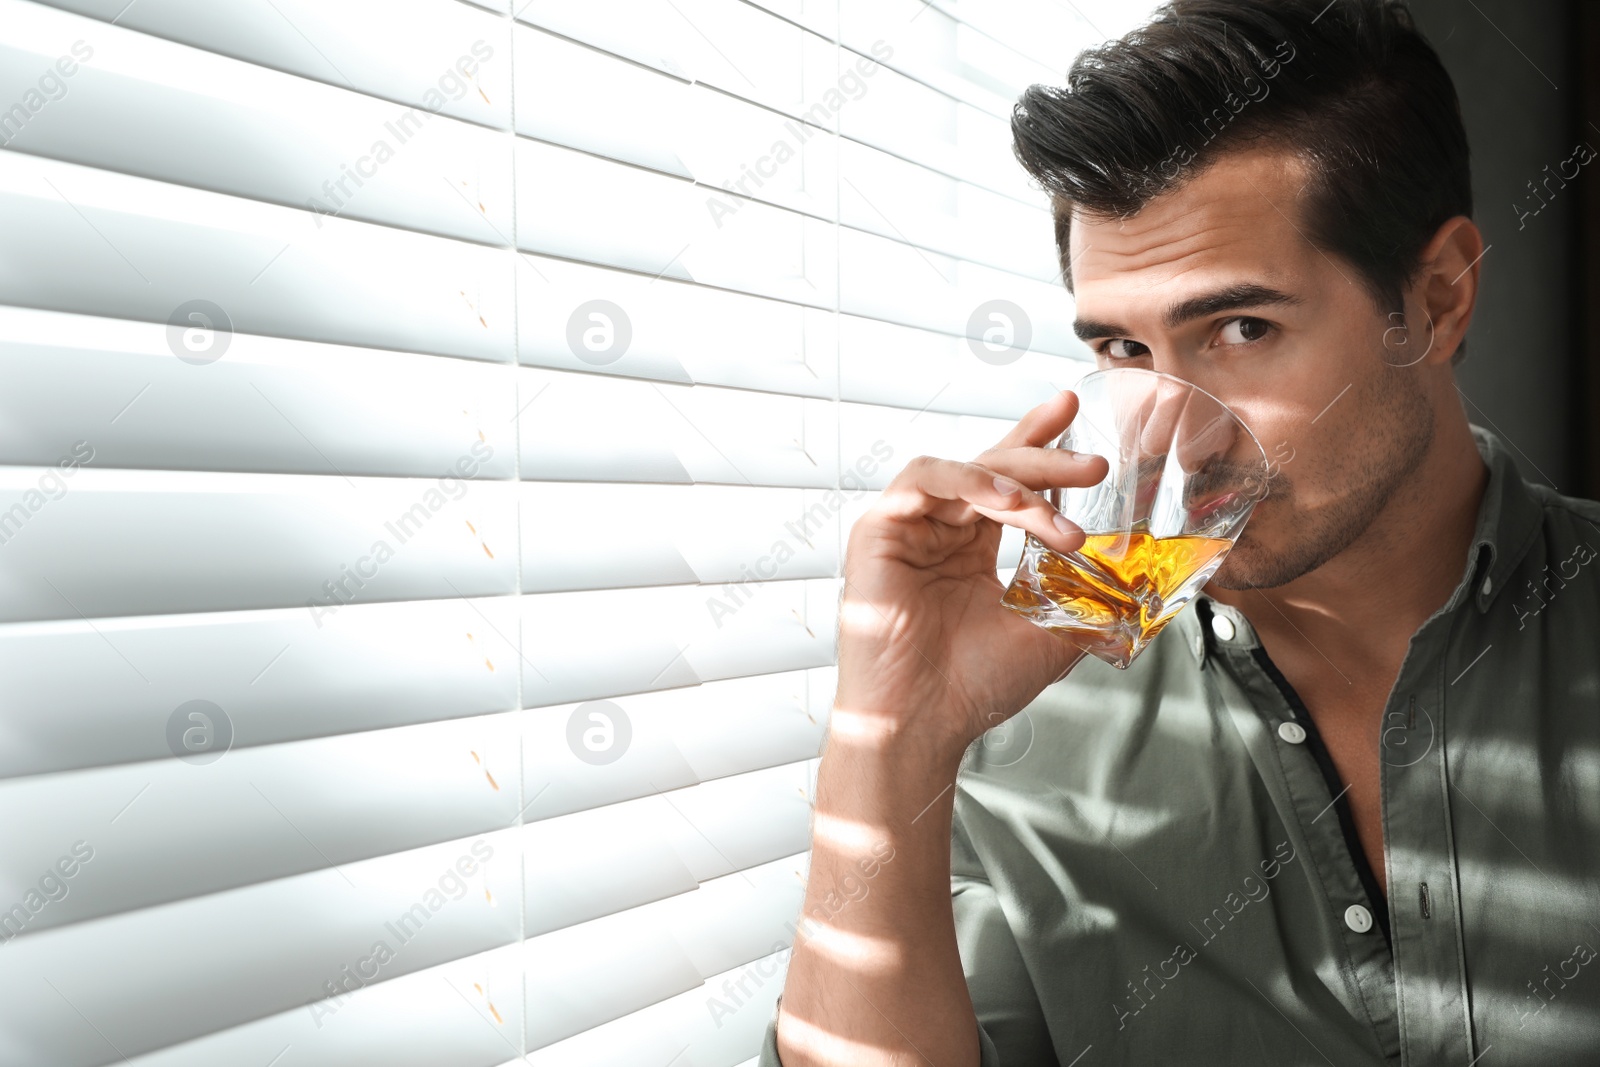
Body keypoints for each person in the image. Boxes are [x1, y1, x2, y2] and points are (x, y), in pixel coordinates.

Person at [760, 0, 1600, 1062]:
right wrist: (891, 731)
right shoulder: (1025, 731)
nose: (1175, 433)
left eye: (1242, 329)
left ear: (1435, 300)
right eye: (1121, 348)